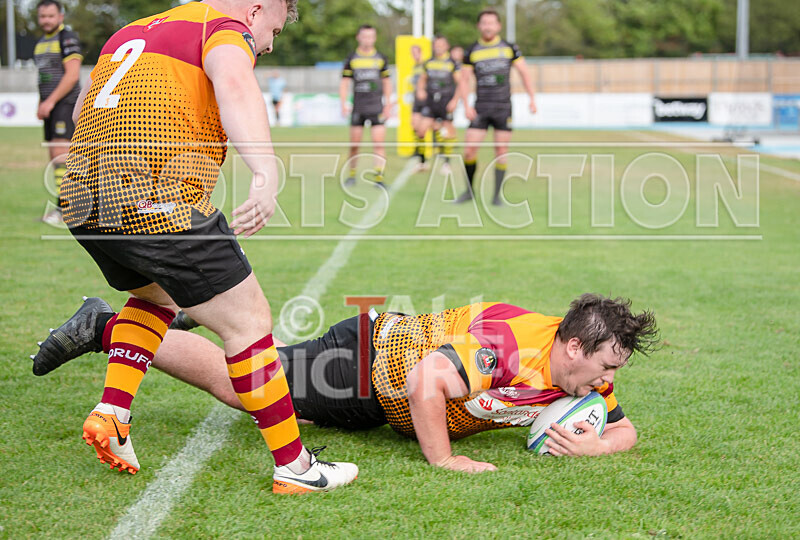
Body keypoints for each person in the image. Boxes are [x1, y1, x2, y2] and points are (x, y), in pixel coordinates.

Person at [56, 0, 357, 493]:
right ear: (256, 10)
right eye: (273, 30)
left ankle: (113, 413)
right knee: (250, 324)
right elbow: (234, 82)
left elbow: (79, 110)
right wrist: (265, 171)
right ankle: (296, 468)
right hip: (154, 196)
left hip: (82, 198)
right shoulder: (222, 28)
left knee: (158, 297)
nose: (268, 44)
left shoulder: (130, 32)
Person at [34, 293, 658, 473]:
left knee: (275, 391)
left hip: (376, 401)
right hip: (363, 364)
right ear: (573, 347)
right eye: (606, 367)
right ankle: (109, 325)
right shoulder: (511, 344)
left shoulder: (581, 377)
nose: (608, 382)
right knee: (244, 386)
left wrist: (598, 446)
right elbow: (425, 382)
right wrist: (444, 461)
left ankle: (185, 312)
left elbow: (624, 429)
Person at [456, 9, 537, 206]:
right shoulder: (472, 51)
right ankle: (469, 192)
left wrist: (532, 98)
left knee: (501, 151)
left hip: (503, 107)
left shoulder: (509, 48)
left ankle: (496, 196)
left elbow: (524, 72)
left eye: (491, 23)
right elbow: (464, 80)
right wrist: (465, 105)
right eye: (484, 23)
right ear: (479, 26)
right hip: (480, 108)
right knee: (469, 150)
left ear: (498, 26)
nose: (488, 27)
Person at [34, 0, 82, 225]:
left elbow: (72, 75)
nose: (46, 20)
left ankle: (66, 209)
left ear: (60, 17)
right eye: (42, 16)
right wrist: (41, 103)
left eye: (50, 16)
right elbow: (44, 78)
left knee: (62, 156)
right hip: (51, 107)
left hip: (65, 104)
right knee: (56, 159)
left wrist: (51, 101)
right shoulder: (40, 43)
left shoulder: (67, 38)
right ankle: (64, 207)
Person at [339, 25, 392, 187]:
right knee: (354, 145)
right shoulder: (352, 58)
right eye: (365, 36)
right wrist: (343, 103)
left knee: (379, 143)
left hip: (376, 107)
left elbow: (387, 82)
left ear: (374, 38)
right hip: (358, 108)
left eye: (370, 36)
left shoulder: (381, 58)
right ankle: (352, 176)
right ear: (358, 37)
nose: (367, 40)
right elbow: (344, 82)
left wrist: (388, 104)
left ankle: (379, 178)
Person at [415, 35, 460, 174]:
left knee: (448, 132)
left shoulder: (453, 63)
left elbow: (461, 83)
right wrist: (420, 90)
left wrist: (455, 100)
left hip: (446, 101)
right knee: (421, 130)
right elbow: (422, 79)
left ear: (447, 46)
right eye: (436, 44)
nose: (438, 47)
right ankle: (422, 162)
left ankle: (446, 164)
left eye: (441, 44)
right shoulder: (429, 63)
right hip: (430, 101)